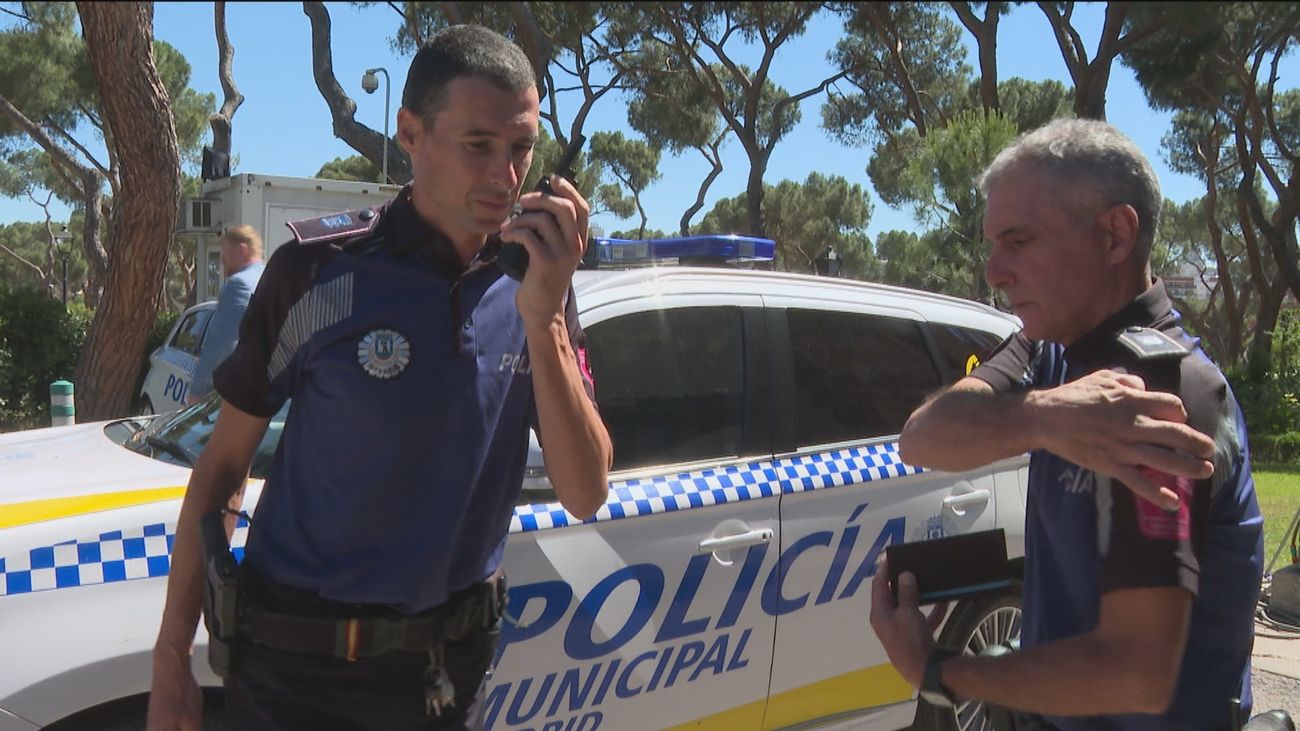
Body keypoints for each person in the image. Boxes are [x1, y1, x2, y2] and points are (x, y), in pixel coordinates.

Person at [146, 24, 612, 731]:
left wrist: (545, 317)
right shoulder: (317, 271)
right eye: (478, 145)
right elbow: (221, 468)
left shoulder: (539, 280)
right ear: (411, 133)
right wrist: (171, 653)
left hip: (447, 676)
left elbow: (585, 491)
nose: (505, 176)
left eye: (521, 150)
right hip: (295, 675)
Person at [870, 118, 1264, 729]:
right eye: (992, 246)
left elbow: (1135, 675)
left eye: (1019, 241)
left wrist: (940, 671)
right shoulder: (1049, 351)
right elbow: (923, 438)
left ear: (1114, 235)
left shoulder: (1165, 395)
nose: (994, 272)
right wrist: (1047, 417)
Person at [186, 224, 265, 404]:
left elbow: (221, 344)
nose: (221, 260)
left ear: (242, 250)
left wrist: (198, 391)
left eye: (224, 252)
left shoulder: (237, 285)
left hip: (238, 399)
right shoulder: (272, 278)